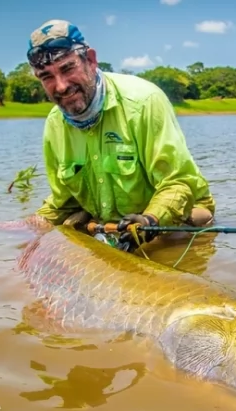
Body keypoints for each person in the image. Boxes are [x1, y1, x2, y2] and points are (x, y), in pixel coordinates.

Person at [25, 19, 216, 250]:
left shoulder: (144, 101)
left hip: (175, 216)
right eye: (47, 77)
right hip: (111, 224)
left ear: (91, 60)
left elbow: (178, 184)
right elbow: (61, 203)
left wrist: (150, 220)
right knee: (61, 232)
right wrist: (18, 229)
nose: (61, 86)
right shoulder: (55, 124)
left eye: (67, 68)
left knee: (170, 242)